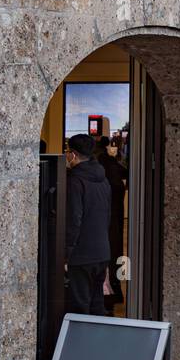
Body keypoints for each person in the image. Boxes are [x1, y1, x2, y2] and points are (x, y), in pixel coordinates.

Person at [64, 134, 112, 316]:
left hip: (81, 255)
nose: (67, 156)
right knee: (96, 304)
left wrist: (66, 253)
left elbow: (73, 220)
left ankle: (81, 343)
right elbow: (107, 215)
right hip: (101, 252)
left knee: (80, 307)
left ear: (73, 155)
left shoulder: (75, 181)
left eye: (68, 152)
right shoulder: (103, 179)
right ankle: (97, 342)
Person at [97, 136, 127, 313]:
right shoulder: (111, 164)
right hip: (114, 216)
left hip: (105, 218)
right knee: (113, 254)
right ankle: (112, 292)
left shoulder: (98, 165)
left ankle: (107, 294)